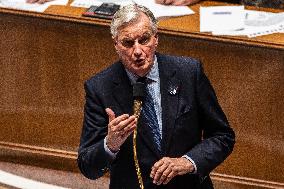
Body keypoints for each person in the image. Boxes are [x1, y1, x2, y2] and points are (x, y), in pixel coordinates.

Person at [77, 4, 235, 189]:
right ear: (116, 45)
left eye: (144, 40)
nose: (137, 51)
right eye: (128, 43)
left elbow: (222, 136)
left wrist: (187, 162)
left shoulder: (189, 73)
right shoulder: (99, 88)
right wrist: (109, 144)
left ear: (156, 38)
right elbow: (88, 167)